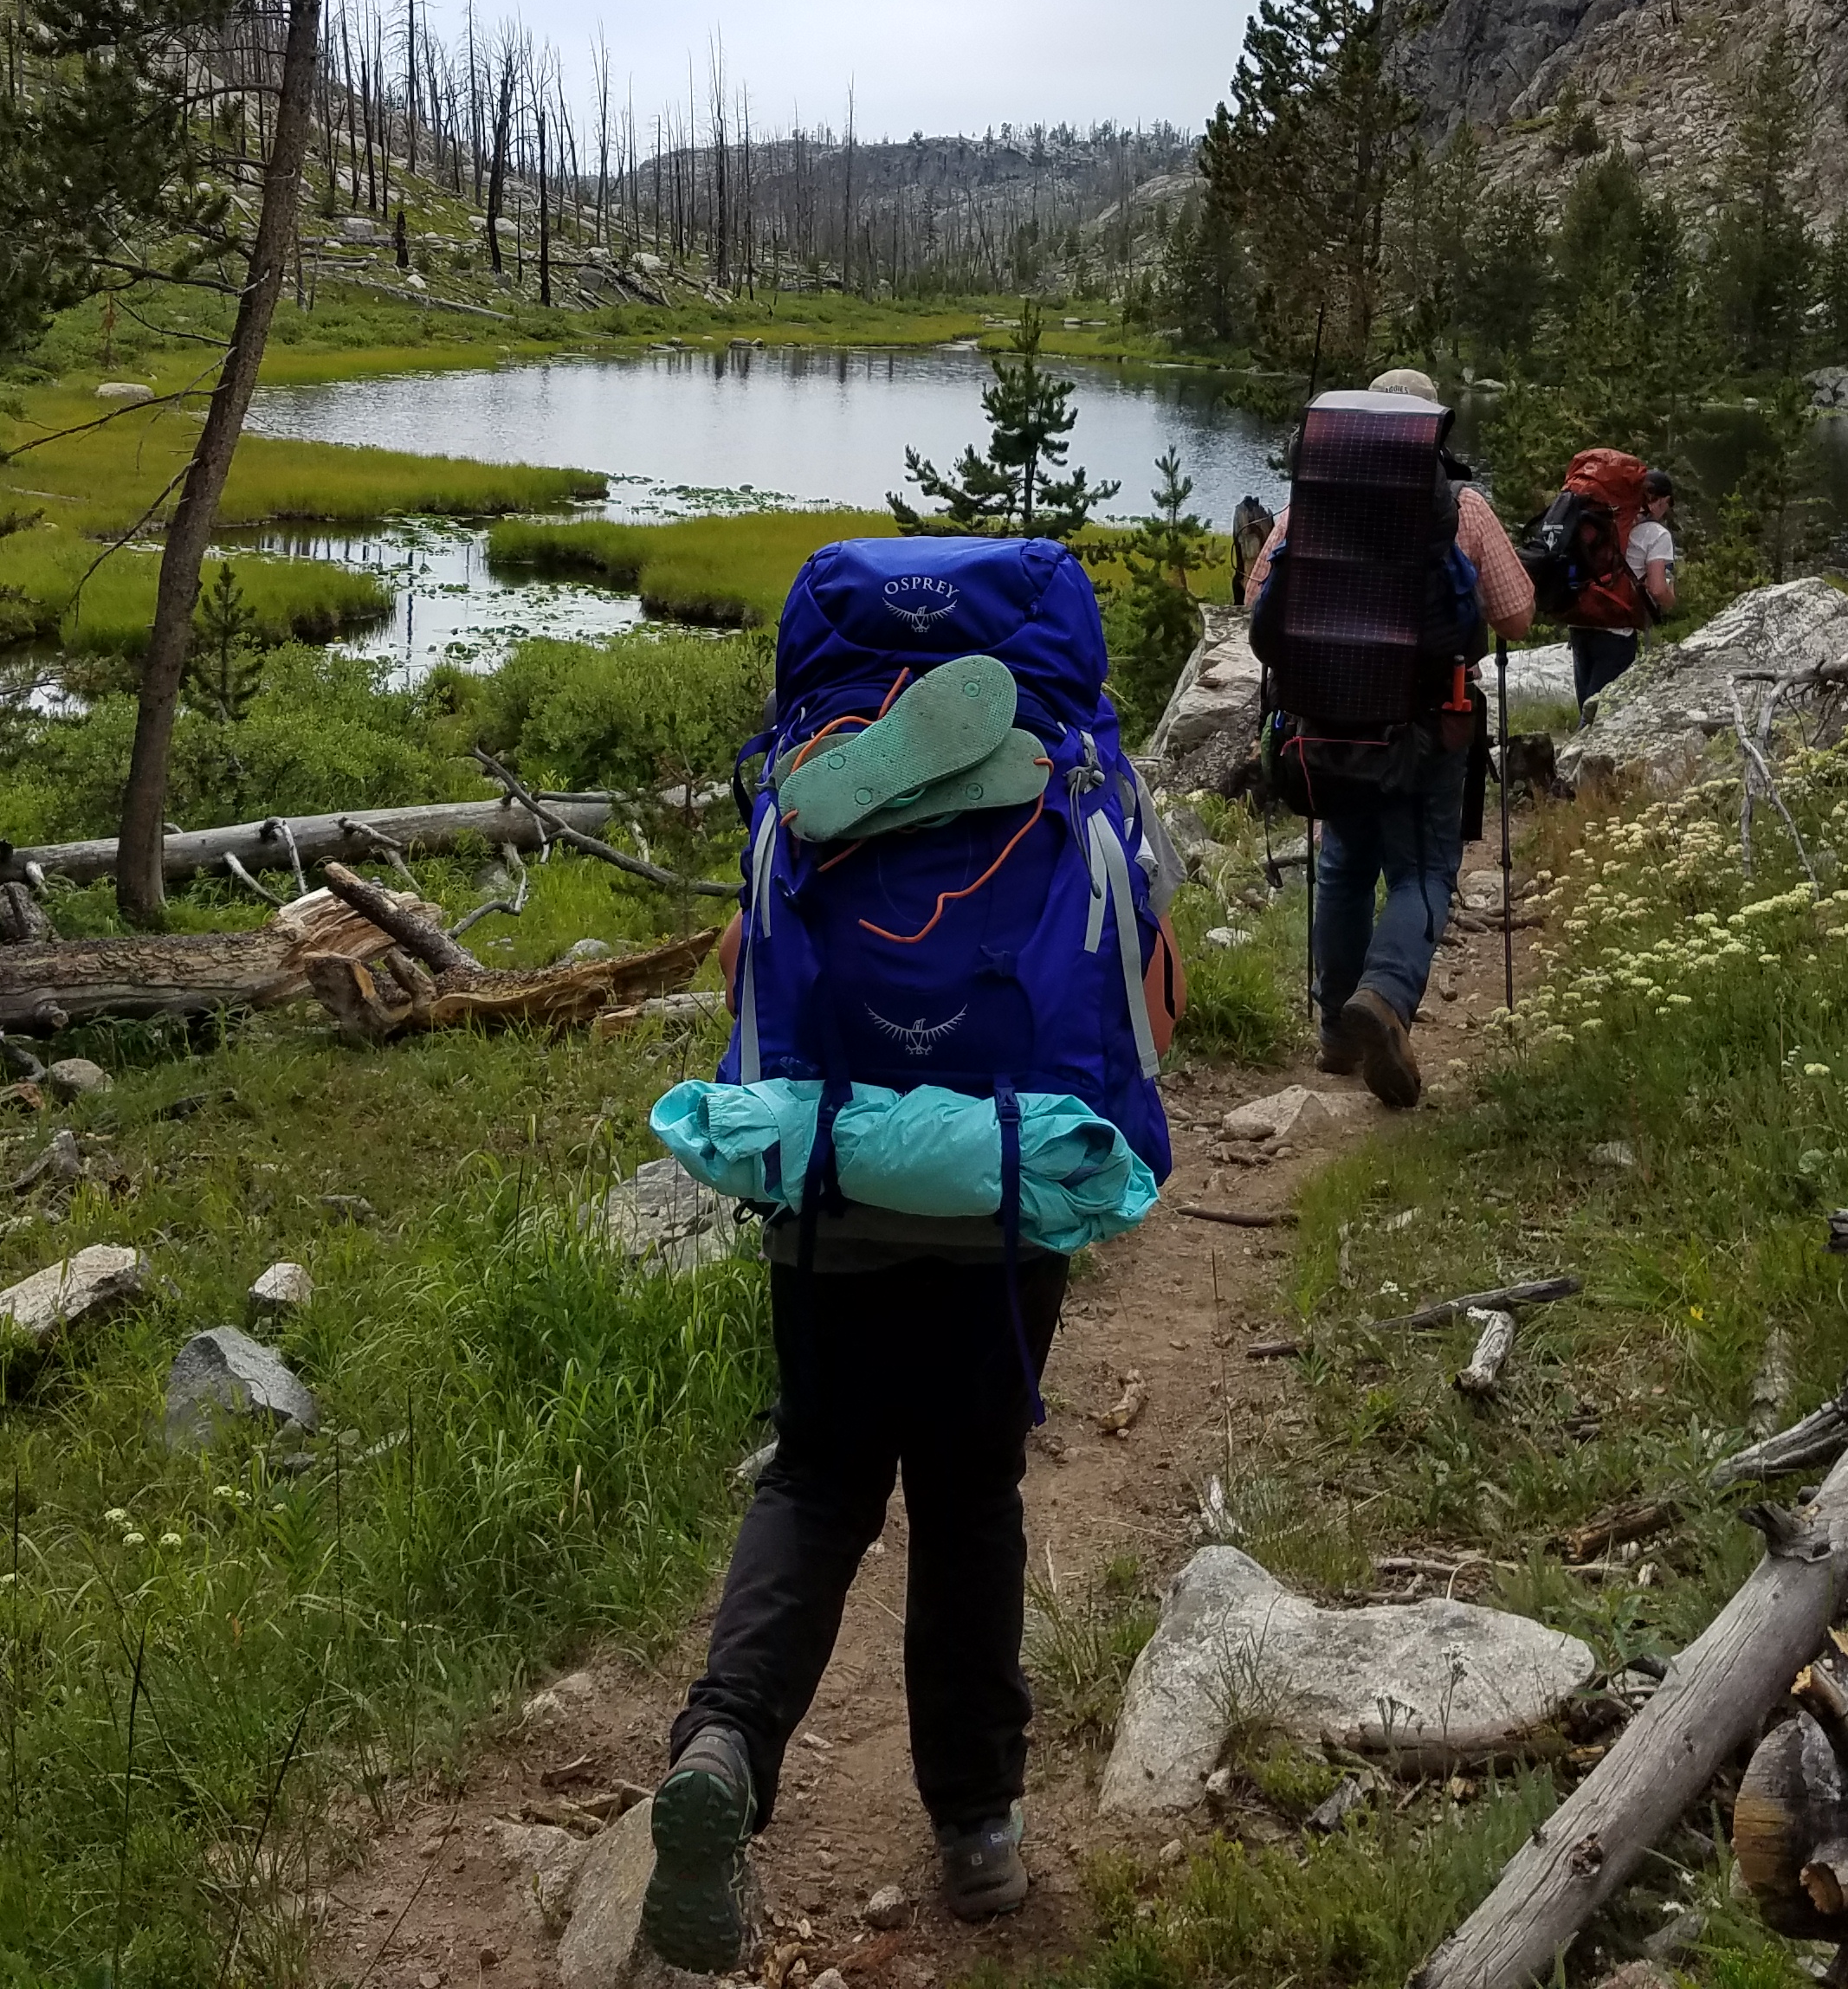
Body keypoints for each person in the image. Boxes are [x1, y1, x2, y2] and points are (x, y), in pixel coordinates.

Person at [638, 542, 1182, 1975]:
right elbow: (1139, 978)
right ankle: (979, 1823)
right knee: (967, 1488)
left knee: (818, 1473)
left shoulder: (806, 776)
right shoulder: (1078, 779)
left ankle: (723, 1742)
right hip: (1005, 1174)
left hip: (821, 1167)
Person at [1241, 366, 1533, 1108]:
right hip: (1428, 724)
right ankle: (1385, 996)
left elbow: (1255, 600)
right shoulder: (1462, 507)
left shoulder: (1311, 500)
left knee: (1342, 862)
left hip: (1328, 720)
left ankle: (1339, 1029)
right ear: (1430, 425)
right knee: (1424, 871)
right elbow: (1518, 616)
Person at [1569, 462, 1678, 714]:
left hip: (1581, 619)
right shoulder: (1657, 535)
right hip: (1616, 630)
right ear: (1661, 501)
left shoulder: (1604, 524)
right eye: (1668, 504)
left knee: (1586, 704)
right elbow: (1658, 589)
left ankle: (1575, 750)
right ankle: (1581, 751)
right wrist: (1670, 602)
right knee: (1601, 713)